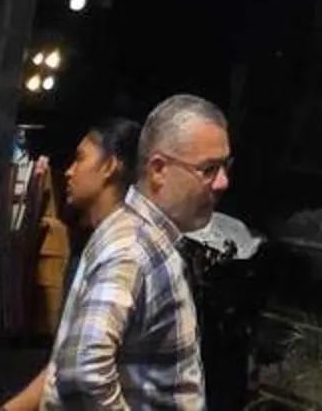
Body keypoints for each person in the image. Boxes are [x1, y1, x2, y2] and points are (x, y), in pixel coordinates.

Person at [45, 92, 233, 410]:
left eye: (226, 167)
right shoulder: (134, 248)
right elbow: (83, 369)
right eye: (208, 169)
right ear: (158, 169)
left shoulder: (143, 238)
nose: (222, 183)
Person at [0, 121, 140, 411]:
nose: (70, 171)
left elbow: (90, 368)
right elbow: (64, 363)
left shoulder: (121, 251)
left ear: (109, 166)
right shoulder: (100, 242)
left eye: (81, 158)